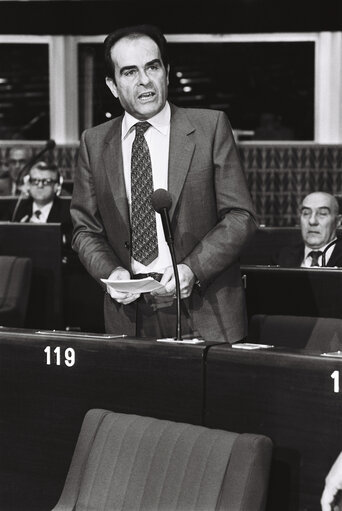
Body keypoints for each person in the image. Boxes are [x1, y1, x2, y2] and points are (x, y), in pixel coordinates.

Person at [71, 24, 257, 342]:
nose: (145, 81)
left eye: (152, 67)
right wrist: (110, 273)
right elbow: (85, 229)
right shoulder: (94, 142)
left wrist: (192, 269)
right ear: (112, 85)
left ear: (166, 73)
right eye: (129, 72)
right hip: (128, 316)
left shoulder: (210, 127)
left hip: (205, 309)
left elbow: (241, 217)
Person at [8, 161, 72, 248]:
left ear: (56, 186)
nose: (40, 185)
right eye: (35, 181)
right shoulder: (16, 209)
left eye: (46, 181)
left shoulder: (69, 212)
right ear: (29, 185)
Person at [276, 192, 342, 268]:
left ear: (338, 221)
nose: (312, 221)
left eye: (322, 213)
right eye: (306, 213)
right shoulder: (282, 257)